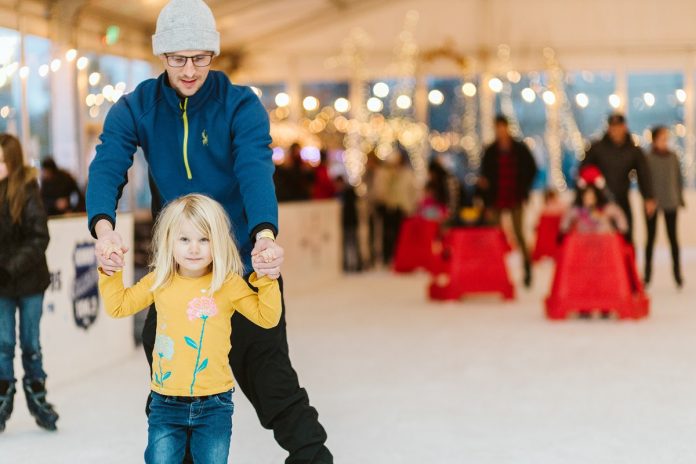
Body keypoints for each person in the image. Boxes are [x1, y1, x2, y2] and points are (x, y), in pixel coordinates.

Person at [85, 1, 333, 462]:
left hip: (240, 267)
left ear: (214, 54)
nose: (189, 69)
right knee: (173, 394)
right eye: (178, 58)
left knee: (273, 382)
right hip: (175, 276)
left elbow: (255, 170)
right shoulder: (138, 107)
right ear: (161, 55)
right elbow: (108, 163)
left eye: (200, 57)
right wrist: (103, 225)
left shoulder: (239, 105)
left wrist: (264, 236)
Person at [99, 194, 281, 463]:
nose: (194, 249)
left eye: (204, 239)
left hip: (214, 405)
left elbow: (267, 317)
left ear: (217, 241)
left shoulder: (227, 283)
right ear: (169, 240)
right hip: (165, 403)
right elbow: (119, 306)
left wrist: (266, 278)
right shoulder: (160, 280)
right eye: (184, 239)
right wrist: (110, 270)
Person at [0, 134, 59, 432]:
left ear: (11, 160)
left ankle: (39, 398)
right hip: (2, 285)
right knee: (3, 344)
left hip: (30, 281)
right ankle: (1, 399)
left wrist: (9, 267)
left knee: (30, 344)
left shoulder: (26, 189)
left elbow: (39, 236)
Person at [478, 115, 538, 287]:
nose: (500, 131)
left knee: (519, 235)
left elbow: (531, 168)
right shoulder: (490, 151)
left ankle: (527, 266)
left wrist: (524, 186)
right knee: (495, 236)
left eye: (502, 128)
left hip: (515, 197)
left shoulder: (519, 149)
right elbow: (484, 178)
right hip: (496, 198)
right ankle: (494, 270)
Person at [582, 113, 656, 244]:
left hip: (622, 200)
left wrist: (648, 197)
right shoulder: (597, 148)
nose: (615, 131)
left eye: (618, 127)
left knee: (626, 237)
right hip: (600, 204)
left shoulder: (633, 150)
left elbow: (644, 174)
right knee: (601, 239)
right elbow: (584, 172)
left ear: (624, 127)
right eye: (612, 127)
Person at [644, 126, 685, 288]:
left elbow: (678, 179)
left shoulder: (673, 157)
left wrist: (679, 198)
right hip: (652, 203)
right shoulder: (648, 158)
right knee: (651, 239)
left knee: (673, 238)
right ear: (655, 139)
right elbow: (645, 181)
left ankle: (677, 274)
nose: (665, 141)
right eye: (662, 138)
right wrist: (648, 199)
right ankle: (647, 275)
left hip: (671, 202)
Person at [560, 165, 628, 236]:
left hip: (604, 242)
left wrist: (621, 232)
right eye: (586, 197)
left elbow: (620, 220)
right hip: (583, 242)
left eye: (592, 197)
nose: (589, 200)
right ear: (582, 197)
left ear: (597, 196)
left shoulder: (607, 209)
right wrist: (564, 232)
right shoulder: (577, 210)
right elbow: (565, 225)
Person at [382, 147, 417, 264]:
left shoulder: (407, 174)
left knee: (402, 235)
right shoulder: (389, 175)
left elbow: (413, 192)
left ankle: (403, 257)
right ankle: (390, 257)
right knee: (389, 234)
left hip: (403, 208)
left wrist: (412, 206)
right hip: (391, 208)